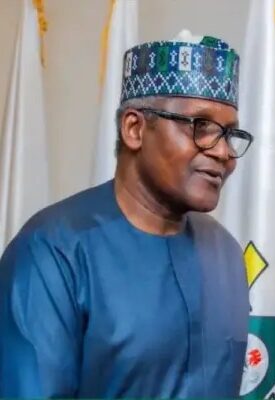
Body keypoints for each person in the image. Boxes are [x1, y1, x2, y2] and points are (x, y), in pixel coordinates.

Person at [0, 31, 254, 397]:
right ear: (135, 129)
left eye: (229, 134)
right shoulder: (52, 252)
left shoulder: (226, 253)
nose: (223, 153)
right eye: (201, 127)